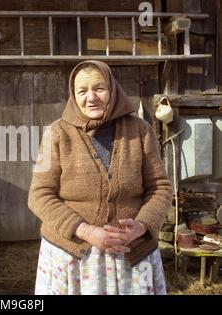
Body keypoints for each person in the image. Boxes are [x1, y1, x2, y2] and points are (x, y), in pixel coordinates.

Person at [27, 60, 173, 295]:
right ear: (73, 96)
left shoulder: (140, 130)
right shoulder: (56, 133)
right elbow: (39, 195)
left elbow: (160, 187)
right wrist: (86, 230)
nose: (91, 97)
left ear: (112, 90)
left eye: (99, 88)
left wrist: (142, 226)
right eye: (82, 91)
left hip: (131, 253)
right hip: (74, 255)